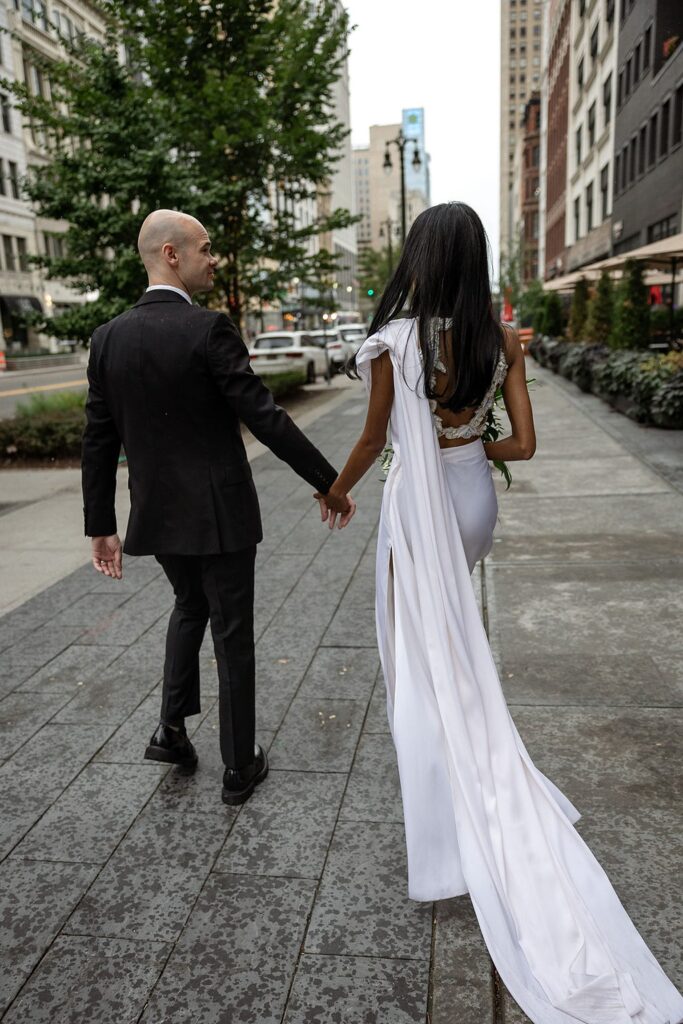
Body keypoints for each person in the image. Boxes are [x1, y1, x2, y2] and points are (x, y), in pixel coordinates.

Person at [316, 203, 683, 1024]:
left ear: (418, 256)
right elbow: (521, 446)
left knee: (421, 665)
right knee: (453, 653)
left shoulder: (397, 342)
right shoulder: (501, 338)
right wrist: (462, 442)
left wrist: (335, 491)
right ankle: (476, 773)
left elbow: (375, 441)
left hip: (422, 513)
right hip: (474, 505)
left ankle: (447, 834)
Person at [82, 209, 354, 806]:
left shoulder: (108, 339)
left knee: (188, 605)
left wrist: (100, 525)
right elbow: (266, 417)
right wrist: (329, 481)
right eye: (206, 248)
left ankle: (171, 731)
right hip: (221, 515)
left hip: (156, 514)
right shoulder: (209, 329)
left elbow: (98, 439)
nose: (214, 258)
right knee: (232, 633)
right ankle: (238, 766)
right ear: (171, 254)